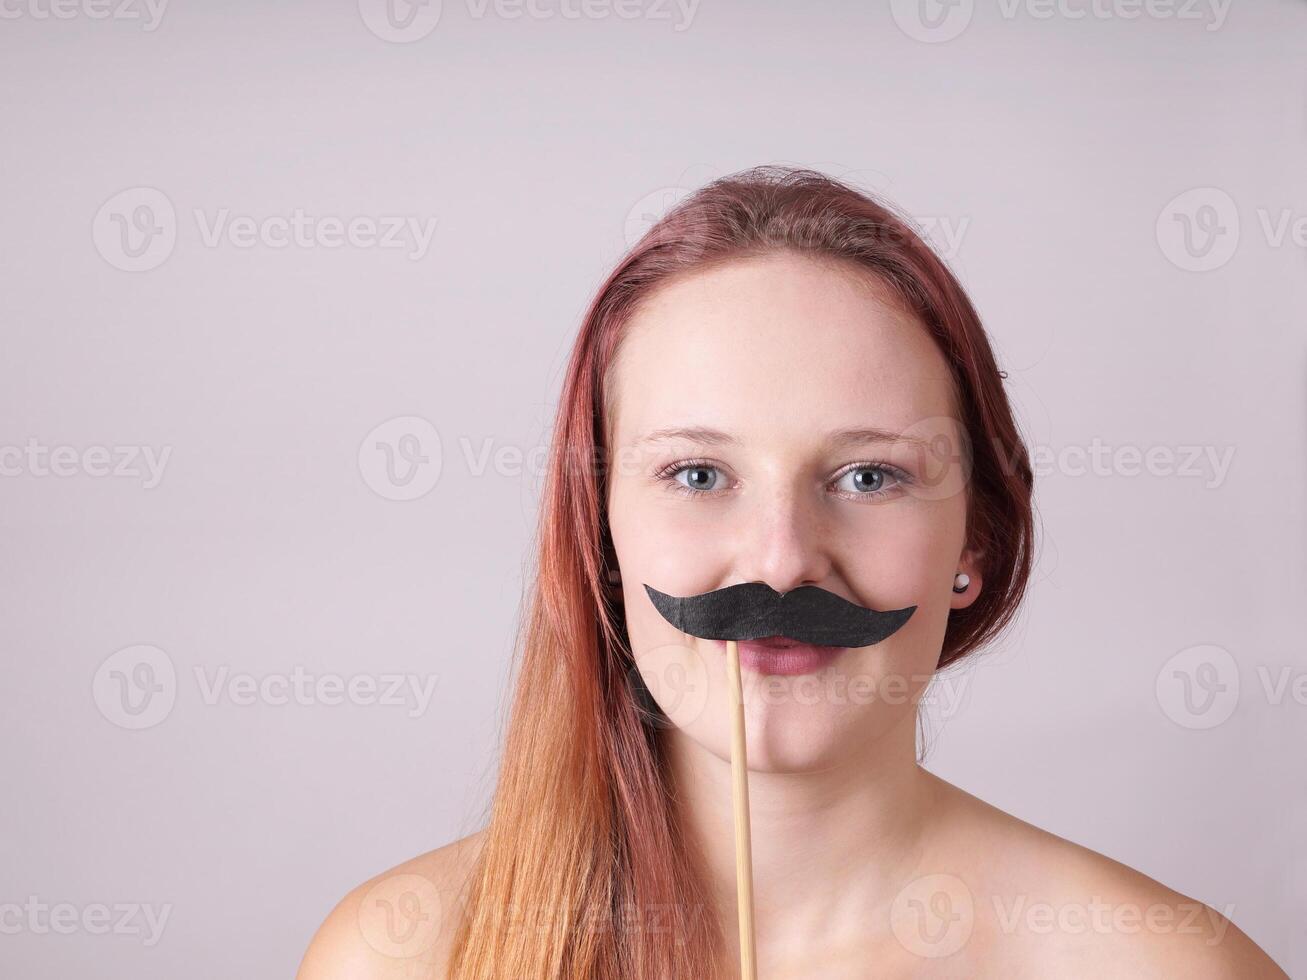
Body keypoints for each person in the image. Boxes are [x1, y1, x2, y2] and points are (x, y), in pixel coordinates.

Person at [297, 166, 1287, 979]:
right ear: (597, 534)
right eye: (696, 472)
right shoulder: (399, 954)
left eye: (867, 474)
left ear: (972, 543)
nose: (778, 557)